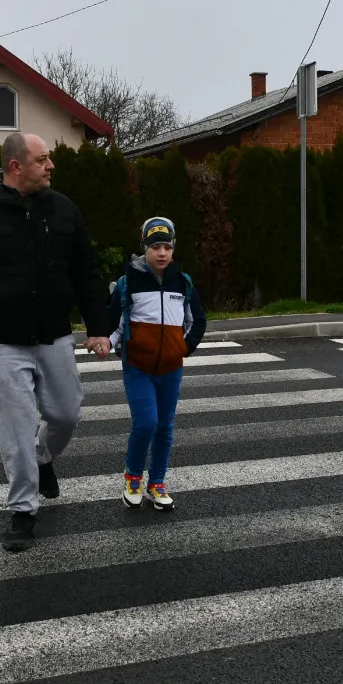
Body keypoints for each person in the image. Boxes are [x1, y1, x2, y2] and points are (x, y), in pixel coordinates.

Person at [0, 132, 113, 553]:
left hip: (54, 333)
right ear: (17, 166)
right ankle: (23, 509)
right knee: (16, 426)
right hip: (1, 341)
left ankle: (44, 458)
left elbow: (86, 273)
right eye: (43, 159)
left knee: (66, 415)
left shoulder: (63, 209)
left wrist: (99, 327)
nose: (51, 166)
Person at [105, 216, 206, 511]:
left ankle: (157, 483)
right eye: (154, 247)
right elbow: (116, 325)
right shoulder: (128, 283)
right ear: (143, 249)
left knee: (164, 427)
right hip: (138, 367)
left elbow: (196, 321)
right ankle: (133, 477)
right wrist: (105, 343)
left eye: (166, 247)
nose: (161, 253)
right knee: (146, 422)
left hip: (171, 369)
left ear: (173, 249)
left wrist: (183, 349)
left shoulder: (183, 282)